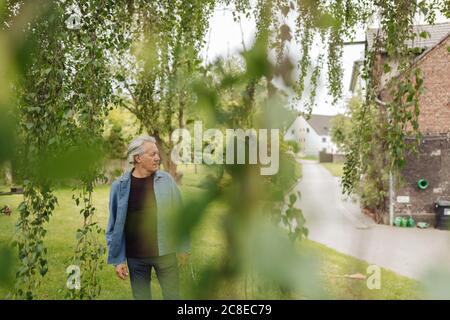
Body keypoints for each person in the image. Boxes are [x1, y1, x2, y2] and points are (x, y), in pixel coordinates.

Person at [106, 135, 189, 300]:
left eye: (157, 153)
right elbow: (114, 225)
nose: (158, 158)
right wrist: (118, 260)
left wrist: (184, 246)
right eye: (152, 154)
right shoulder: (119, 186)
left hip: (166, 254)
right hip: (136, 258)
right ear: (138, 158)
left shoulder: (166, 181)